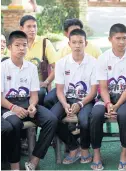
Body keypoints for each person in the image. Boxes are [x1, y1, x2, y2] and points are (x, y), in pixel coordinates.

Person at [1, 30, 58, 170]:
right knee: (14, 124)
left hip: (26, 103)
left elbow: (34, 94)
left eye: (24, 45)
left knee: (51, 120)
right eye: (17, 45)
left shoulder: (31, 67)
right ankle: (15, 165)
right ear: (9, 48)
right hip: (7, 105)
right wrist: (13, 108)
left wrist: (32, 105)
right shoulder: (2, 67)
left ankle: (34, 161)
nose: (22, 48)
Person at [90, 23, 126, 170]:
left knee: (124, 115)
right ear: (110, 39)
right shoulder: (102, 58)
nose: (121, 42)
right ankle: (96, 154)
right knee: (95, 114)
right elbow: (103, 87)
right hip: (107, 97)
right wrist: (108, 104)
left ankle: (124, 153)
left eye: (124, 38)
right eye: (117, 38)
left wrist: (117, 106)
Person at [51, 29, 98, 164]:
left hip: (86, 100)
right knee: (51, 119)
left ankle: (84, 149)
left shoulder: (94, 63)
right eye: (74, 42)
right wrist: (65, 104)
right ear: (69, 44)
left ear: (86, 43)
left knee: (84, 120)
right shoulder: (61, 63)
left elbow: (94, 91)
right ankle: (73, 147)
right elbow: (59, 90)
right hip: (66, 99)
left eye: (80, 42)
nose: (77, 45)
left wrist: (81, 104)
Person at [44, 18, 102, 110]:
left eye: (78, 30)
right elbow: (56, 69)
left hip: (88, 88)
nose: (77, 45)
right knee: (49, 99)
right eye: (72, 32)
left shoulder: (94, 49)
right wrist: (47, 82)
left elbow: (101, 70)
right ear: (66, 34)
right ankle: (64, 122)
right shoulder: (63, 51)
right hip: (67, 87)